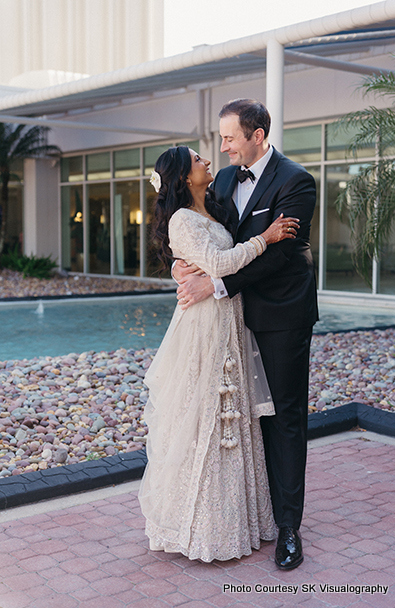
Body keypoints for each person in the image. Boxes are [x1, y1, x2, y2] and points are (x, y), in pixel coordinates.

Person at [175, 99, 318, 570]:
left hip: (280, 316)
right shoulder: (221, 182)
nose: (223, 146)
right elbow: (200, 233)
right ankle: (253, 516)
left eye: (230, 137)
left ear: (258, 135)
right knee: (241, 421)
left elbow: (281, 254)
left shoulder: (297, 181)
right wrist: (178, 265)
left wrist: (215, 283)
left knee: (284, 418)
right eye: (221, 138)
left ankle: (289, 529)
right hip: (229, 325)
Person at [138, 145, 300, 562]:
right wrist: (265, 238)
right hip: (204, 324)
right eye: (197, 159)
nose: (209, 160)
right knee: (206, 413)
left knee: (234, 414)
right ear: (182, 176)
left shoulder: (215, 202)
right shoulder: (181, 218)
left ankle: (239, 519)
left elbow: (206, 260)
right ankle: (199, 524)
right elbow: (217, 260)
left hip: (229, 318)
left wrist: (180, 263)